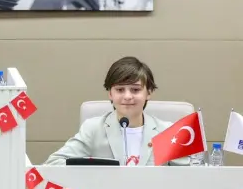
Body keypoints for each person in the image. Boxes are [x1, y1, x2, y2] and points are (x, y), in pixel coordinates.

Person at [44, 56, 188, 166]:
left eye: (135, 90)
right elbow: (53, 164)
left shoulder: (167, 132)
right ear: (110, 94)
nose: (127, 96)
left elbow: (189, 176)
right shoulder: (94, 129)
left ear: (148, 93)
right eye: (120, 90)